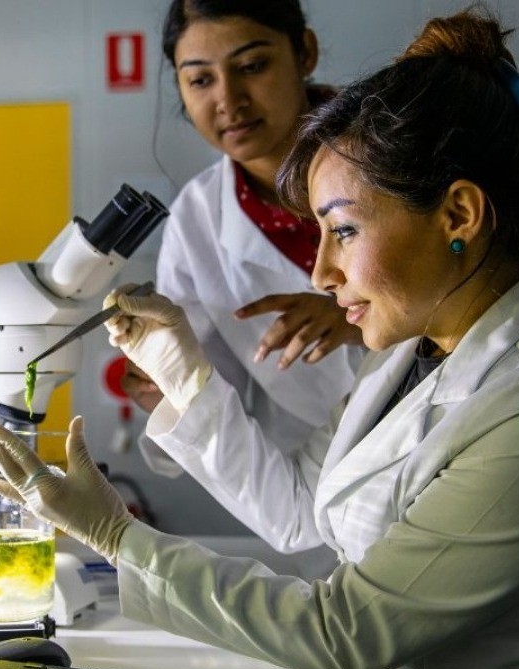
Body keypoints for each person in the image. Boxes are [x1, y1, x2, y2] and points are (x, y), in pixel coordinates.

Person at [0, 8, 519, 669]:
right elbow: (304, 502)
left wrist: (117, 537)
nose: (320, 272)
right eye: (198, 78)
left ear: (459, 213)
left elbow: (346, 630)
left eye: (341, 231)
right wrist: (186, 376)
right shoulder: (412, 354)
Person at [126, 0, 361, 555]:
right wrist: (171, 388)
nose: (227, 101)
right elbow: (220, 385)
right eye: (201, 79)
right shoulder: (198, 218)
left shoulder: (390, 157)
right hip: (317, 495)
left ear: (304, 52)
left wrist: (353, 316)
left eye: (252, 66)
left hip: (445, 445)